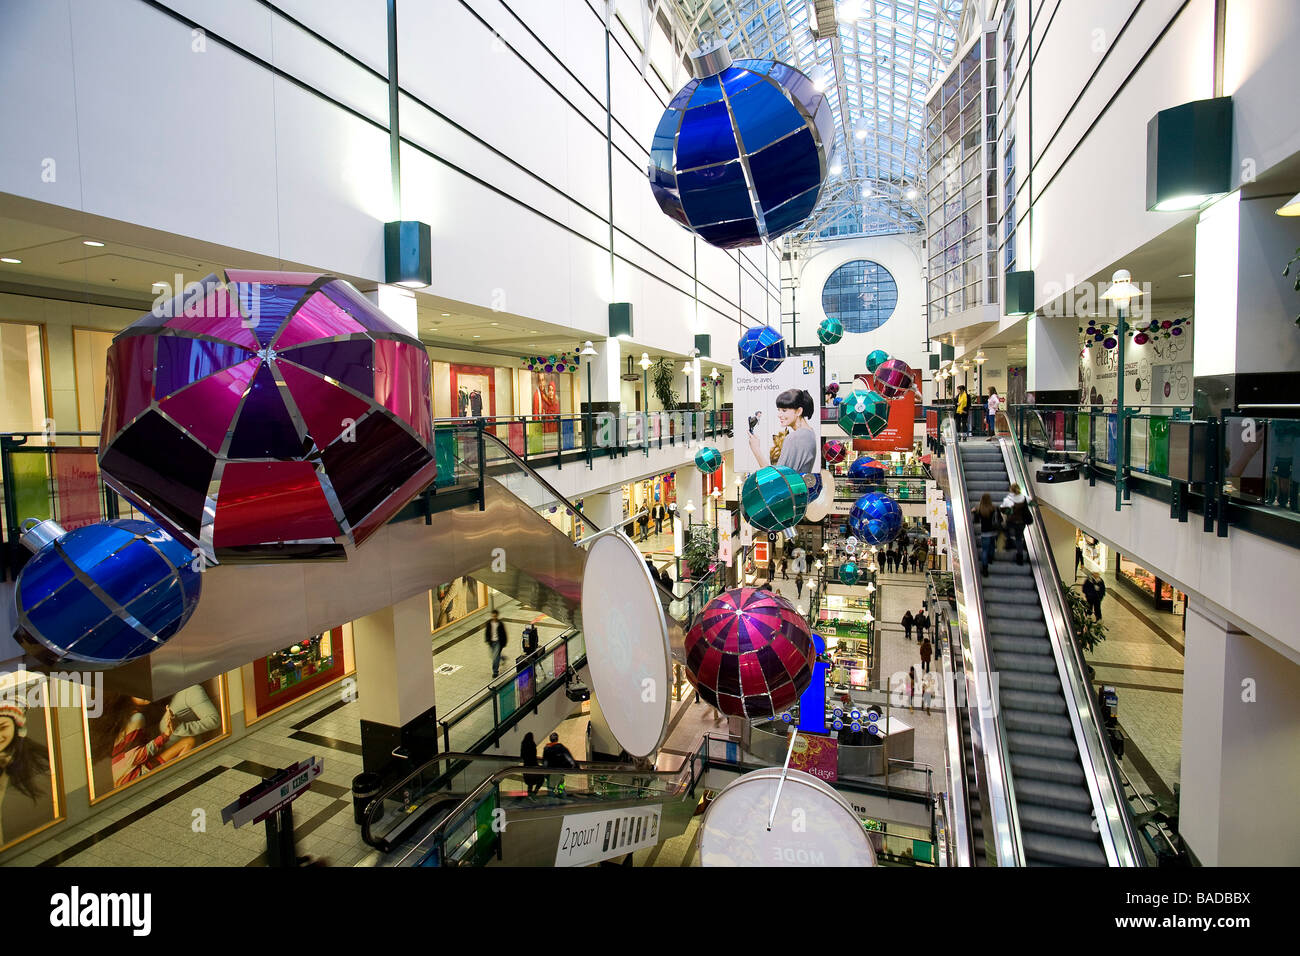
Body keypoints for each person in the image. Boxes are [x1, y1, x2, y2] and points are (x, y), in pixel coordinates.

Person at [749, 388, 817, 474]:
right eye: (779, 410)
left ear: (799, 411)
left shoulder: (795, 437)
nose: (779, 415)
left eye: (784, 410)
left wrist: (756, 449)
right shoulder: (810, 433)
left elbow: (777, 479)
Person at [975, 493, 1001, 576]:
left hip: (984, 532)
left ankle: (985, 569)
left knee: (984, 550)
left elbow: (976, 521)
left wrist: (975, 512)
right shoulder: (994, 508)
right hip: (993, 531)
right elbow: (999, 519)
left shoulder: (979, 509)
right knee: (992, 545)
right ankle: (991, 558)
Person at [1005, 499, 1030, 565]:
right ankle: (1020, 558)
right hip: (1021, 523)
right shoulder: (1023, 501)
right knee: (1019, 539)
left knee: (1006, 529)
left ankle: (1008, 542)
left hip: (1012, 521)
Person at [484, 609, 508, 678]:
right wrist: (487, 640)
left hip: (498, 642)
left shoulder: (500, 624)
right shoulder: (489, 623)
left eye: (495, 616)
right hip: (491, 642)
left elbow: (504, 634)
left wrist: (504, 643)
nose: (494, 618)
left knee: (495, 657)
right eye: (493, 616)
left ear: (497, 616)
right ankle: (502, 658)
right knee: (492, 655)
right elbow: (487, 632)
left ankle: (495, 672)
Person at [520, 732, 544, 796]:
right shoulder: (532, 744)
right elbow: (534, 756)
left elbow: (522, 755)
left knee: (530, 783)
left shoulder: (523, 744)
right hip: (533, 766)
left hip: (526, 767)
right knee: (541, 779)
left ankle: (530, 794)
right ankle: (535, 793)